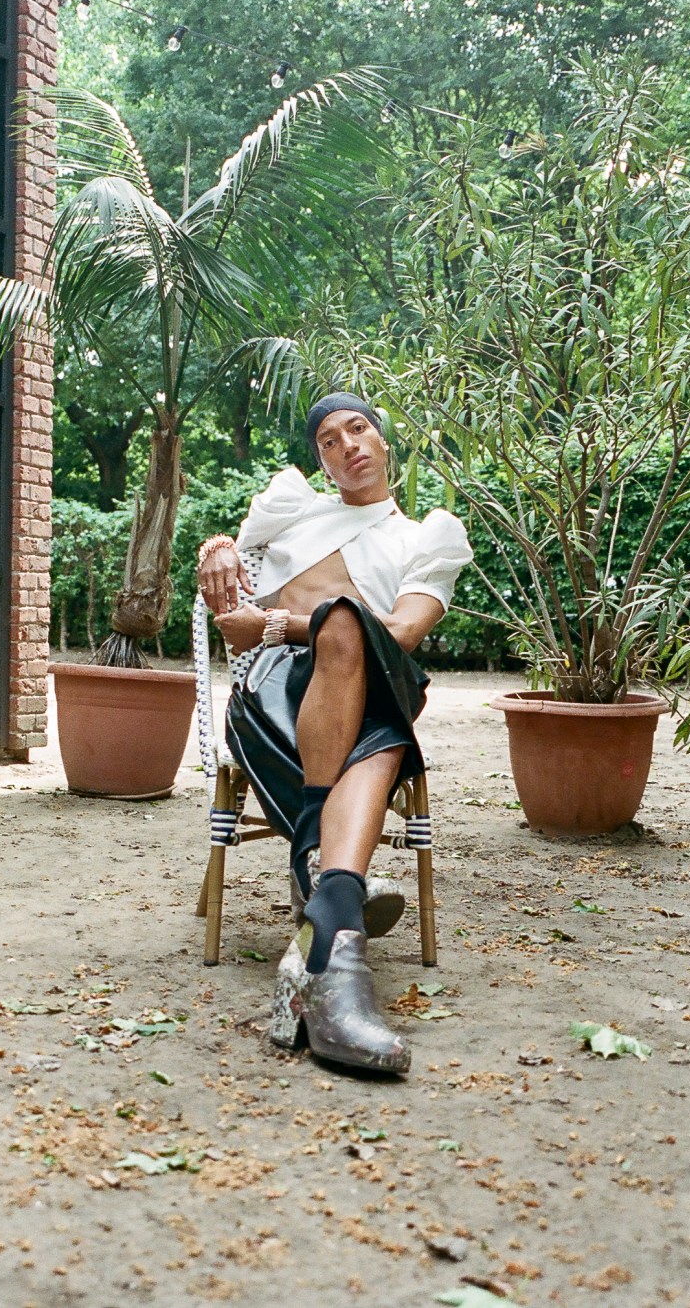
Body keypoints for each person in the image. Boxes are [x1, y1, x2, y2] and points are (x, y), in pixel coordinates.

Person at [195, 392, 472, 1074]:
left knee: (347, 622)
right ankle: (338, 903)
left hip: (376, 671)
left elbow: (403, 633)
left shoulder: (426, 536)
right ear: (320, 460)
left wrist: (291, 619)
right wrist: (218, 546)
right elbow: (230, 557)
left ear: (383, 441)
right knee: (386, 737)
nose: (345, 444)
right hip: (276, 689)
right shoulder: (298, 507)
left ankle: (321, 891)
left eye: (357, 429)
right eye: (327, 439)